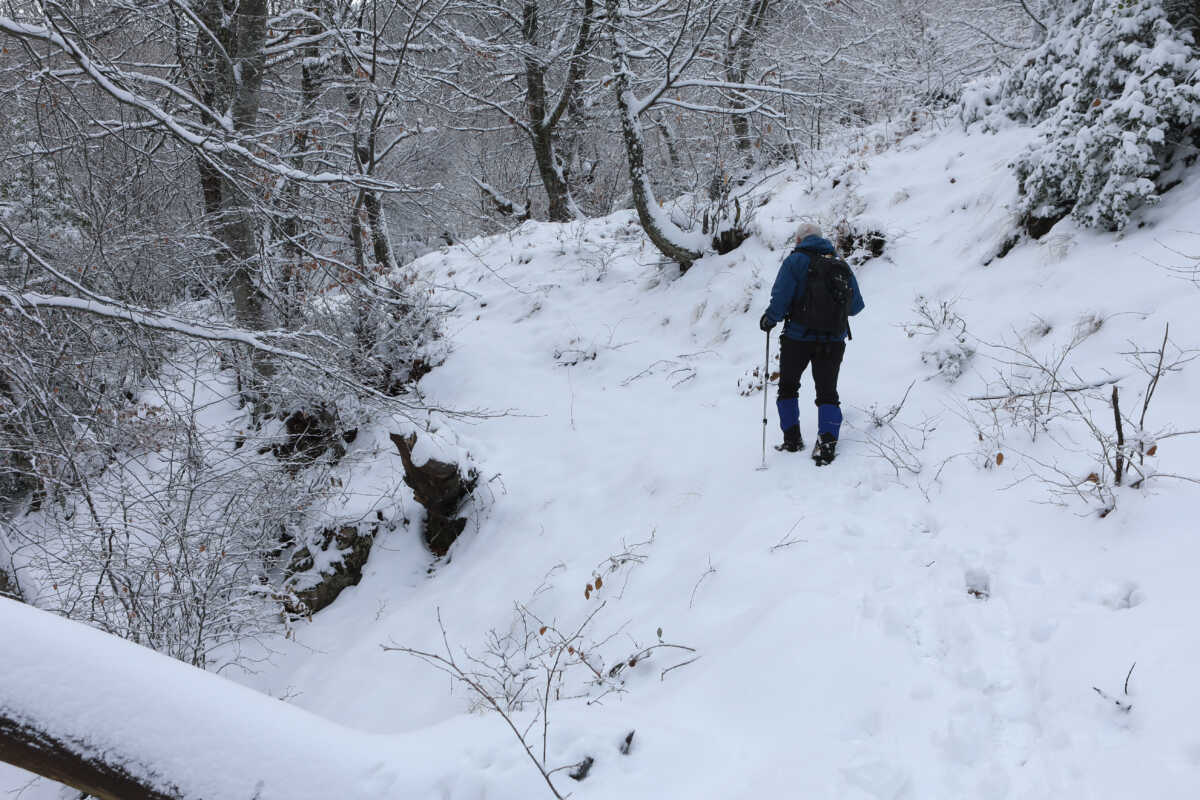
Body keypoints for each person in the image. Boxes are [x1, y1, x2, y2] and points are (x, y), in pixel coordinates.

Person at [758, 223, 865, 465]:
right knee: (827, 392)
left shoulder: (794, 262)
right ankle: (826, 445)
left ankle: (792, 440)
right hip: (833, 340)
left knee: (788, 387)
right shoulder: (840, 264)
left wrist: (769, 319)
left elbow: (781, 298)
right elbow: (856, 306)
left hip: (798, 338)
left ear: (798, 240)